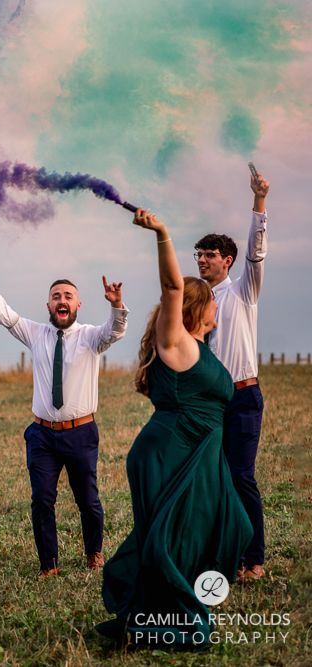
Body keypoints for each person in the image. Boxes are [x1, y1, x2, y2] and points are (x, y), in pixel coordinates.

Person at [98, 209, 253, 648]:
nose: (218, 305)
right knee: (172, 536)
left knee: (232, 525)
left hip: (203, 452)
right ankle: (160, 622)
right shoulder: (177, 343)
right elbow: (171, 288)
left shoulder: (204, 348)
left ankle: (166, 609)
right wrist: (162, 233)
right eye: (212, 301)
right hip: (170, 450)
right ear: (199, 307)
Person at [0, 248, 127, 577]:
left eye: (68, 296)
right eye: (56, 296)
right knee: (42, 499)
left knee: (88, 499)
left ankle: (94, 552)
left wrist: (115, 305)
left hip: (80, 433)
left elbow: (115, 331)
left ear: (78, 305)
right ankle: (48, 564)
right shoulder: (36, 333)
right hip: (42, 435)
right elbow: (3, 313)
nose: (61, 300)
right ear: (49, 305)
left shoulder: (91, 336)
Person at [195, 169, 270, 581]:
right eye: (199, 254)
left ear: (226, 260)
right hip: (209, 404)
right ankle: (222, 557)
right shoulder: (197, 303)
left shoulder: (243, 290)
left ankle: (253, 560)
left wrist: (259, 201)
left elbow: (256, 253)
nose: (202, 260)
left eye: (210, 254)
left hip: (241, 399)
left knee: (240, 477)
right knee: (212, 481)